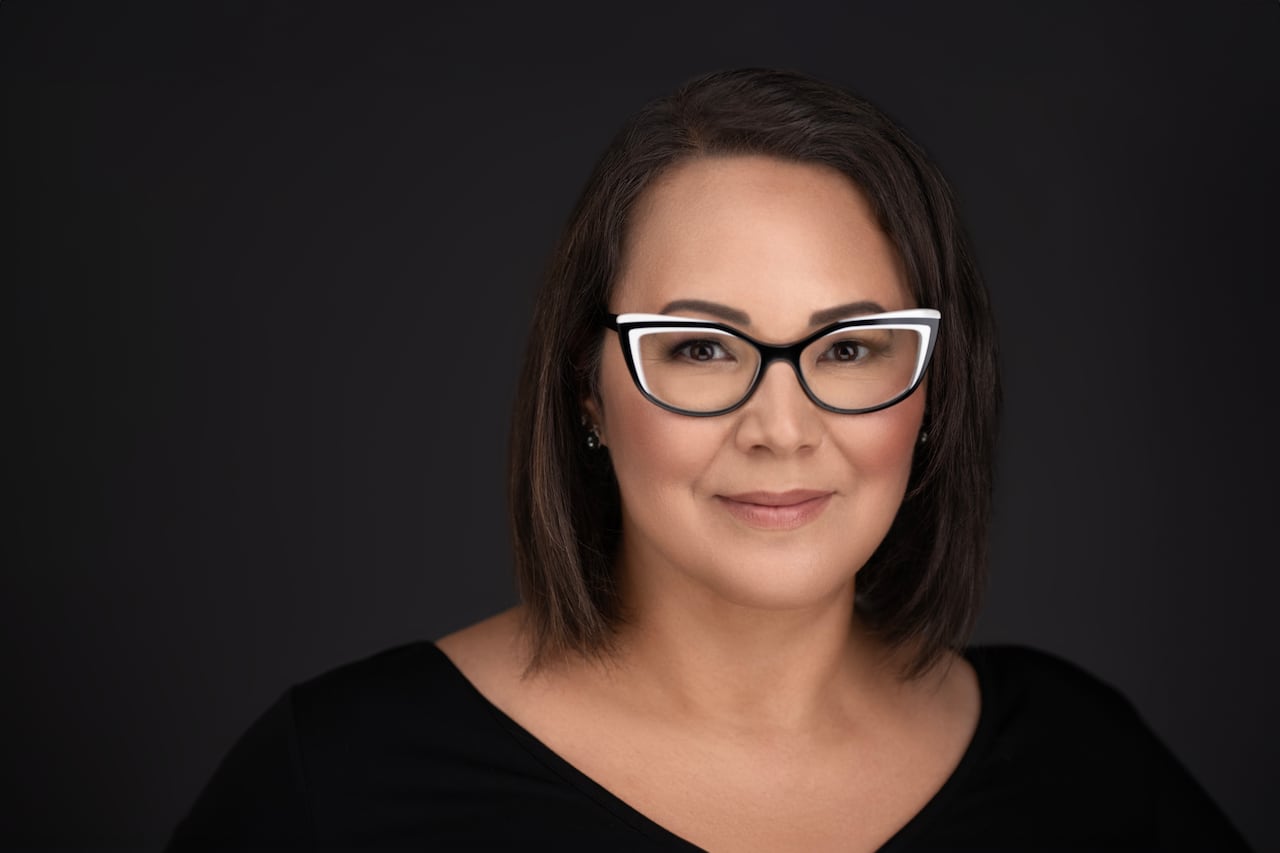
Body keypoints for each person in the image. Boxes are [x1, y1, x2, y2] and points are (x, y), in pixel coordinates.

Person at [165, 67, 1251, 852]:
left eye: (850, 346)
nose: (780, 425)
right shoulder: (341, 780)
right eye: (696, 348)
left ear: (929, 392)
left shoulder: (1080, 763)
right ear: (587, 390)